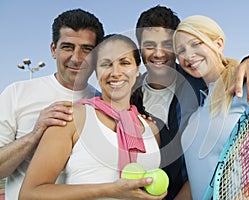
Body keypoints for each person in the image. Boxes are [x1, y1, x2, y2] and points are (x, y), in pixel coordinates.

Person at [131, 5, 249, 200]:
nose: (159, 53)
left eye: (168, 45)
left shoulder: (236, 84)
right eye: (150, 45)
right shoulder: (130, 93)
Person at [19, 34, 165, 200]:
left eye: (124, 63)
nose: (116, 72)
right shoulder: (70, 118)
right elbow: (29, 194)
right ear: (96, 71)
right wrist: (110, 190)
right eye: (106, 64)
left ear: (138, 69)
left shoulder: (151, 129)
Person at [0, 9, 105, 199]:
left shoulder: (103, 104)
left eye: (87, 49)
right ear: (53, 50)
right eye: (67, 47)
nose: (77, 58)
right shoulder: (17, 93)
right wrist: (34, 135)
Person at [173, 15, 249, 199]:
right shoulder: (196, 116)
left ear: (218, 43)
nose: (188, 55)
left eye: (196, 43)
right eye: (180, 51)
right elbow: (199, 180)